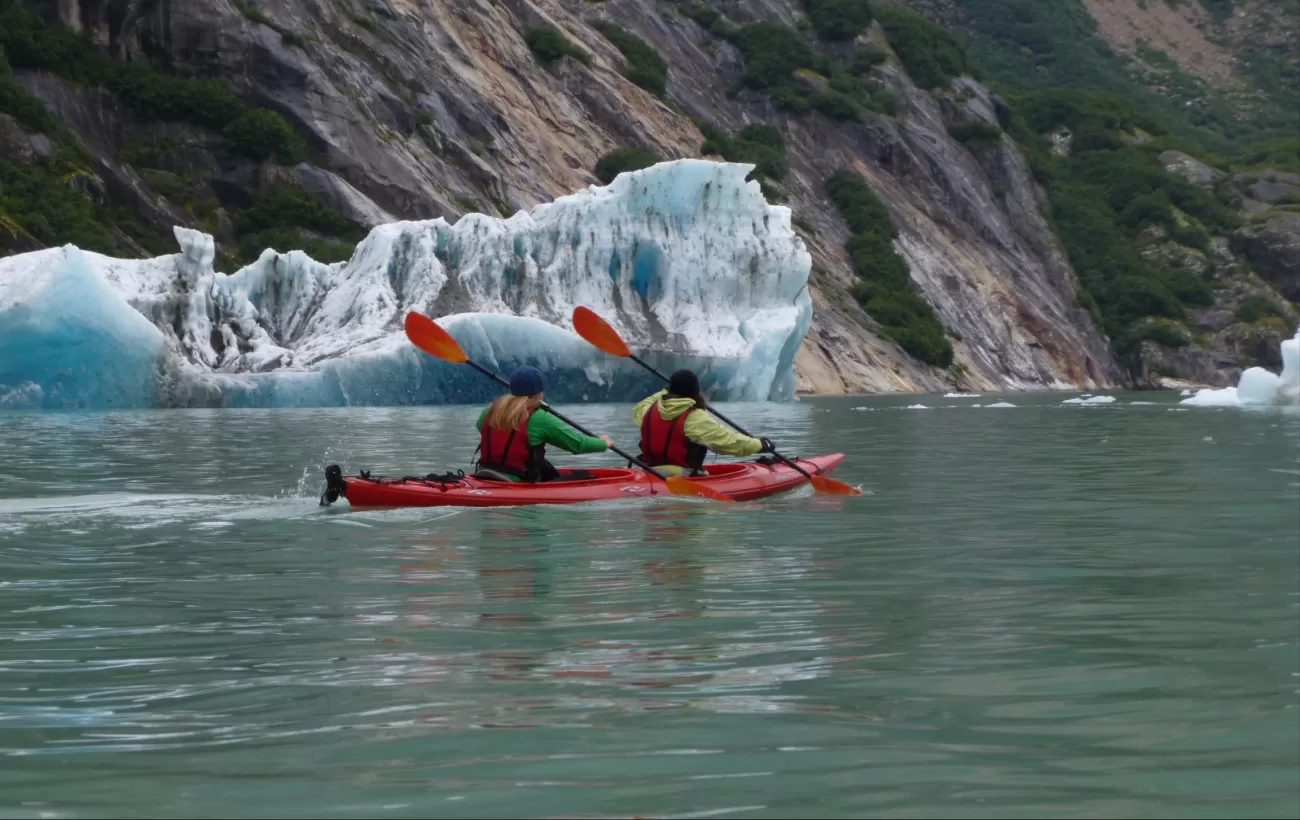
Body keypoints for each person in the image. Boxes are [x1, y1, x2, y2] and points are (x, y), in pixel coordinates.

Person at [475, 365, 613, 482]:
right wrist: (603, 443)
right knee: (584, 477)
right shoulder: (539, 418)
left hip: (485, 473)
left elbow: (480, 427)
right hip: (518, 480)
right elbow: (578, 444)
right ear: (539, 393)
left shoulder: (490, 409)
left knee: (546, 467)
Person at [632, 369, 775, 476]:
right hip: (681, 476)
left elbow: (643, 404)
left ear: (670, 389)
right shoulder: (694, 417)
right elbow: (729, 442)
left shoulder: (648, 411)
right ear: (695, 391)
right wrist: (760, 445)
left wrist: (666, 390)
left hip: (648, 471)